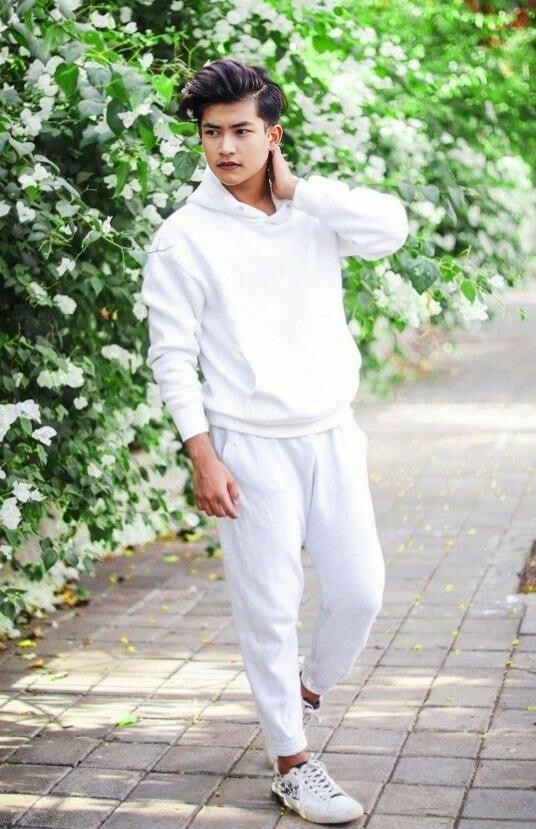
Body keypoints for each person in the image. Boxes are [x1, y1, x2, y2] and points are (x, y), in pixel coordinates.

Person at [141, 57, 409, 825]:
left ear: (273, 135)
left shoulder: (312, 216)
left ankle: (306, 688)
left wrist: (299, 191)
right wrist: (203, 452)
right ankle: (292, 762)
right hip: (247, 446)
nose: (224, 147)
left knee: (360, 591)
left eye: (240, 130)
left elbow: (392, 229)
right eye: (210, 132)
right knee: (268, 608)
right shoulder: (183, 237)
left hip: (331, 433)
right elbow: (172, 354)